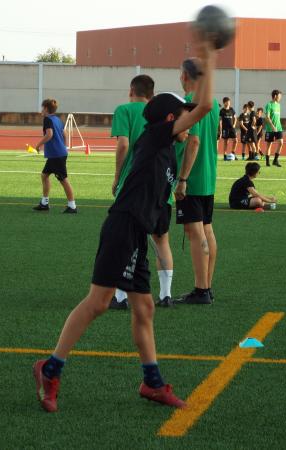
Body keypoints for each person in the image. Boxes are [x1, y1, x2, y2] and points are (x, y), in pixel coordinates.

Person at [32, 39, 217, 413]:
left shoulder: (166, 149)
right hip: (123, 227)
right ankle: (49, 369)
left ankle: (152, 384)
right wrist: (209, 61)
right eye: (181, 116)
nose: (187, 121)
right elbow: (205, 107)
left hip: (137, 233)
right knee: (98, 302)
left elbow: (195, 126)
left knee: (144, 308)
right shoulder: (157, 137)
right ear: (170, 121)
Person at [109, 74, 176, 310]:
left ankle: (120, 296)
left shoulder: (124, 110)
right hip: (162, 186)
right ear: (152, 94)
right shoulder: (160, 114)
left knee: (126, 240)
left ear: (131, 90)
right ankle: (166, 294)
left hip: (134, 186)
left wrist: (117, 176)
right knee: (162, 240)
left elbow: (124, 144)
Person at [174, 58, 220, 305]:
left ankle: (201, 289)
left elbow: (193, 141)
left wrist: (182, 179)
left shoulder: (191, 104)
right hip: (208, 175)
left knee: (195, 232)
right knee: (207, 230)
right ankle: (207, 286)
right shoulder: (211, 104)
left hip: (193, 177)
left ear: (185, 76)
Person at [33, 99, 77, 213]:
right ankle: (44, 203)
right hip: (57, 154)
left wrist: (38, 145)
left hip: (56, 155)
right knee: (44, 175)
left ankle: (72, 206)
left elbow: (49, 134)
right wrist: (64, 147)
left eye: (42, 108)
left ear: (46, 109)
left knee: (63, 179)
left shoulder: (47, 119)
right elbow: (64, 134)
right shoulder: (57, 119)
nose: (41, 110)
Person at [263, 89, 284, 167]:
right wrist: (272, 126)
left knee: (281, 143)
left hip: (279, 128)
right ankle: (267, 162)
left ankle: (275, 160)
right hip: (270, 129)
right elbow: (267, 117)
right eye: (279, 96)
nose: (280, 97)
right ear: (275, 96)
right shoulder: (269, 105)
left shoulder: (278, 105)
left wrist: (277, 126)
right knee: (269, 145)